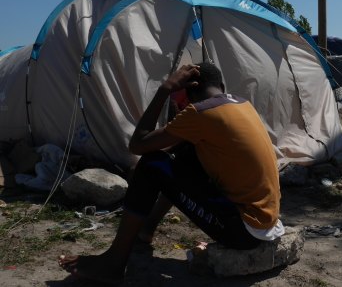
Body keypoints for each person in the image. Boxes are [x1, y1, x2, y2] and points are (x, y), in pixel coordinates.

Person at [59, 63, 284, 284]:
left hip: (242, 231)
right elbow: (175, 152)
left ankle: (114, 263)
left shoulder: (200, 112)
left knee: (150, 165)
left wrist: (164, 90)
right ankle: (145, 230)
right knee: (183, 153)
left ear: (187, 91)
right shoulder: (240, 103)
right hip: (264, 222)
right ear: (221, 85)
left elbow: (138, 145)